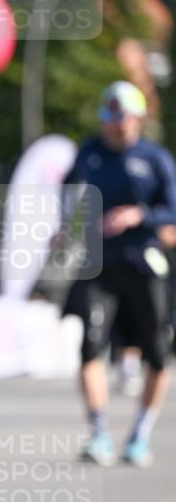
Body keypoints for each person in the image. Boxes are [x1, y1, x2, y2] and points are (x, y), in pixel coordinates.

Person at [61, 81, 176, 468]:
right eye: (109, 117)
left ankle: (140, 435)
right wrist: (65, 226)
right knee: (90, 346)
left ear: (138, 118)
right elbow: (68, 192)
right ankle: (98, 432)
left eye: (123, 117)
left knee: (156, 354)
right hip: (99, 265)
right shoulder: (89, 152)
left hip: (144, 265)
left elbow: (172, 211)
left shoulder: (155, 158)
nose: (116, 125)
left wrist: (140, 215)